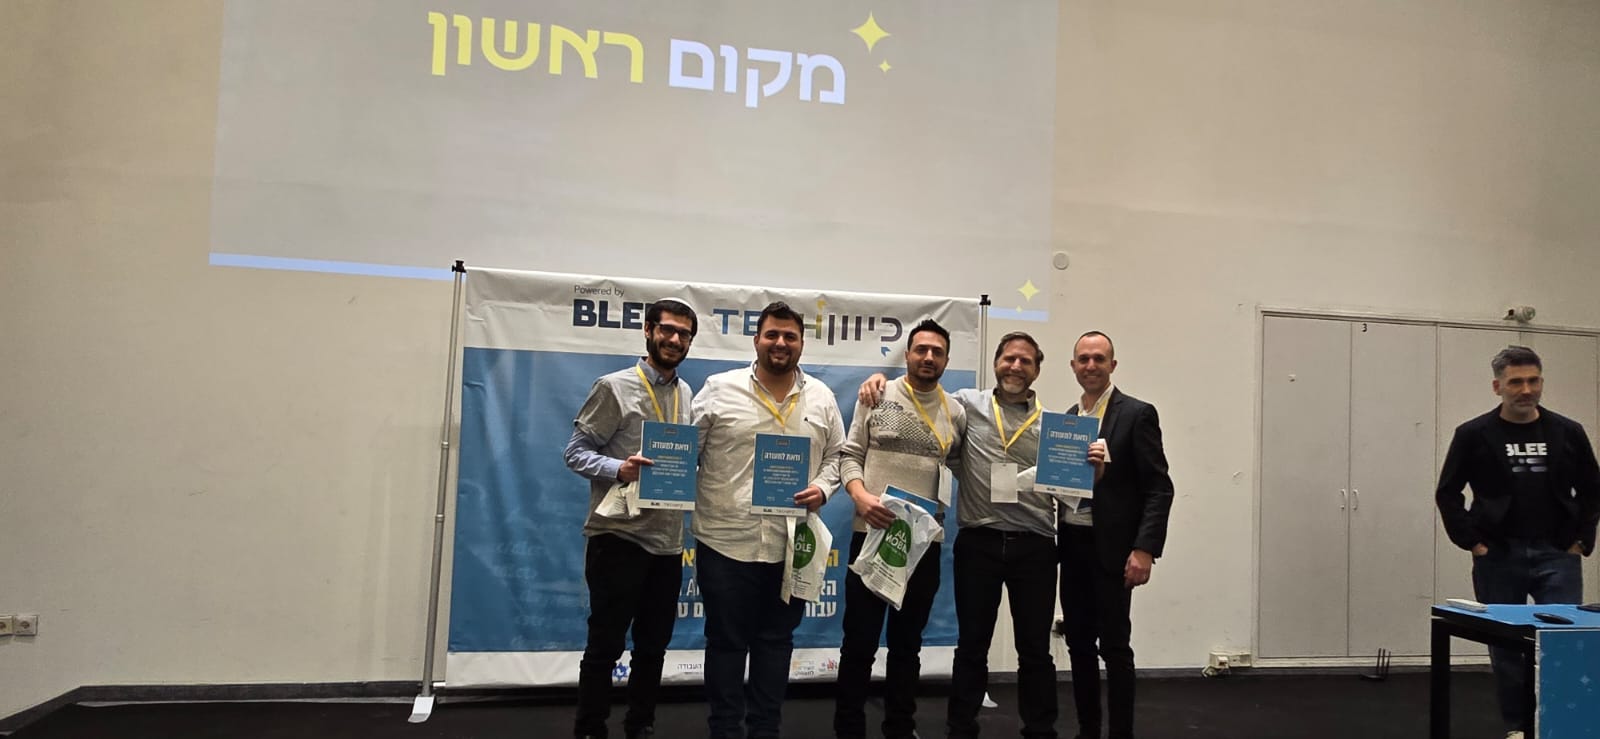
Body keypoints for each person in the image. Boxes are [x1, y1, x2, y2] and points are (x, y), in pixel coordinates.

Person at [859, 331, 1084, 738]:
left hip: (1035, 546)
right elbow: (918, 392)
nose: (1016, 366)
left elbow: (1071, 491)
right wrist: (878, 379)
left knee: (1035, 649)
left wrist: (1090, 465)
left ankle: (1040, 731)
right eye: (1009, 358)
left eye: (1026, 361)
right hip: (979, 543)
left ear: (1037, 370)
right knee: (972, 645)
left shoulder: (1053, 427)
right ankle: (961, 729)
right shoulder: (965, 405)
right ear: (996, 363)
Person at [691, 301, 847, 739]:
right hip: (726, 542)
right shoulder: (718, 389)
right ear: (756, 340)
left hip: (790, 544)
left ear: (801, 343)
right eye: (772, 335)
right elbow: (687, 451)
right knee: (725, 643)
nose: (781, 343)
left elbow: (838, 456)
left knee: (776, 644)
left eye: (789, 336)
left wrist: (824, 488)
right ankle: (724, 730)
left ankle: (765, 730)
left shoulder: (822, 398)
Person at [1435, 345, 1600, 739]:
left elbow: (1592, 490)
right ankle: (1518, 727)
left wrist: (1581, 540)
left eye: (1533, 380)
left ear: (1541, 382)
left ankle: (1561, 726)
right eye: (1516, 382)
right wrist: (1473, 542)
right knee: (1506, 647)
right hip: (1498, 554)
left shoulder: (1568, 432)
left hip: (1557, 554)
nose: (1526, 390)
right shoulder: (1473, 434)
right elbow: (1448, 493)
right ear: (1498, 387)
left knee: (1564, 642)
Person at [563, 298, 700, 739]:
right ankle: (590, 728)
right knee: (605, 645)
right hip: (618, 538)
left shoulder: (686, 394)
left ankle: (640, 725)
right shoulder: (614, 387)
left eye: (683, 334)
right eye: (668, 330)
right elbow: (575, 453)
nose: (675, 339)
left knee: (653, 647)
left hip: (667, 543)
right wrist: (618, 469)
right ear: (648, 331)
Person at [834, 319, 967, 739]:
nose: (928, 357)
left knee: (907, 646)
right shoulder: (876, 394)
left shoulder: (956, 412)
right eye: (921, 349)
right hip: (871, 535)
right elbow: (850, 455)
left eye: (937, 352)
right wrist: (860, 497)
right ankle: (848, 729)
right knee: (859, 643)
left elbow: (961, 467)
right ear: (907, 354)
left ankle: (900, 728)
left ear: (946, 360)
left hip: (923, 546)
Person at [1057, 331, 1174, 739]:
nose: (1091, 365)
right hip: (1072, 547)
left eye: (1099, 358)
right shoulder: (1068, 420)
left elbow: (1159, 488)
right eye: (1083, 359)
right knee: (1078, 645)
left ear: (1113, 365)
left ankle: (1121, 733)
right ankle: (1088, 730)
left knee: (1115, 648)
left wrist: (1144, 549)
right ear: (1073, 366)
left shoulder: (1137, 414)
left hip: (1113, 550)